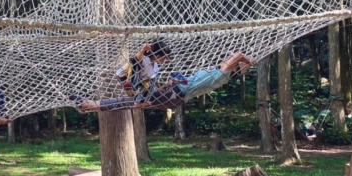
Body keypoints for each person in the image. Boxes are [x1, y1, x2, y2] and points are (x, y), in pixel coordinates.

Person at [76, 49, 253, 113]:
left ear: (232, 67)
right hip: (172, 94)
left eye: (229, 61)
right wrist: (168, 84)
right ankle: (90, 106)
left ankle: (89, 105)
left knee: (133, 101)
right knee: (129, 101)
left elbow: (238, 57)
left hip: (175, 96)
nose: (226, 59)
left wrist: (250, 60)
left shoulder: (221, 74)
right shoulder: (217, 74)